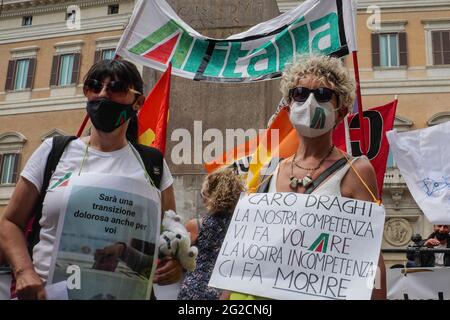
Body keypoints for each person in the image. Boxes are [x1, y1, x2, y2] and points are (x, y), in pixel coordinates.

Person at [0, 59, 182, 300]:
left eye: (116, 88)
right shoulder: (53, 151)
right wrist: (24, 272)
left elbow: (170, 236)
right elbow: (10, 221)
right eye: (94, 86)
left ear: (138, 102)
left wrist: (175, 263)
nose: (102, 95)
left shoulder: (154, 165)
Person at [225, 55, 386, 300]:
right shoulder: (268, 171)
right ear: (289, 107)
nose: (309, 101)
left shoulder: (356, 171)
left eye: (322, 94)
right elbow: (244, 256)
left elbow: (371, 260)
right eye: (299, 93)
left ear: (340, 112)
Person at [178, 168, 246, 300]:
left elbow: (178, 261)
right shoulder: (241, 228)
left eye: (203, 193)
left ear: (209, 195)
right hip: (225, 294)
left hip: (194, 293)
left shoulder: (196, 225)